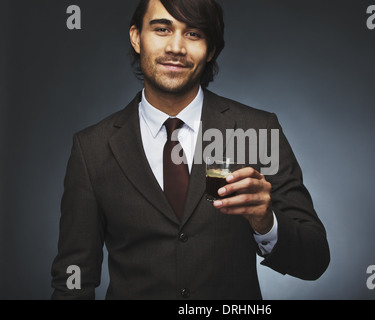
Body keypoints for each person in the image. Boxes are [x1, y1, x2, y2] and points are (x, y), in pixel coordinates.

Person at [51, 0, 330, 300]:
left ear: (210, 49)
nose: (176, 47)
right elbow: (73, 280)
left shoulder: (257, 129)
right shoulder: (91, 148)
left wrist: (267, 223)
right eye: (161, 29)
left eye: (194, 33)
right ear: (136, 37)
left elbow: (314, 260)